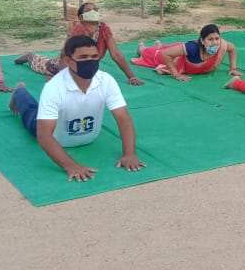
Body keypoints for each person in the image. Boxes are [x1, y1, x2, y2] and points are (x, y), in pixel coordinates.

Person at [8, 35, 146, 182]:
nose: (90, 61)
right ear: (68, 61)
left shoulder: (106, 81)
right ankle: (19, 92)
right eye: (83, 57)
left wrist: (129, 154)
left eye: (94, 56)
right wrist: (71, 166)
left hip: (89, 136)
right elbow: (44, 136)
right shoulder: (54, 87)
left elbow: (123, 118)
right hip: (57, 137)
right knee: (30, 111)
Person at [15, 2, 145, 86]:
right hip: (65, 63)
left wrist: (131, 77)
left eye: (95, 9)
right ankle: (30, 56)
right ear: (81, 17)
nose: (92, 11)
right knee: (45, 65)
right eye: (88, 10)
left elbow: (116, 54)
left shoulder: (104, 28)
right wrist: (61, 77)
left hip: (87, 66)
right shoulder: (78, 28)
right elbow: (65, 55)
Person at [131, 24, 240, 81]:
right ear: (202, 40)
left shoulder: (221, 45)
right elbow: (166, 55)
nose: (215, 43)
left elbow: (232, 49)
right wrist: (176, 74)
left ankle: (159, 46)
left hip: (182, 50)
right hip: (178, 58)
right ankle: (142, 49)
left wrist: (233, 68)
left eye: (217, 38)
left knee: (168, 48)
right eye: (210, 39)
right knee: (158, 55)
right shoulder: (193, 48)